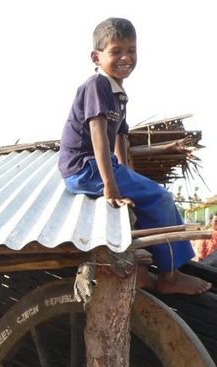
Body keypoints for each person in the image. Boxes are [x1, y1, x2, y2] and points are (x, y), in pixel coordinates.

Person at [58, 17, 211, 295]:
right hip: (85, 167)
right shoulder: (97, 85)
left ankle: (141, 270)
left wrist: (127, 173)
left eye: (132, 50)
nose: (126, 57)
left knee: (147, 197)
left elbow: (119, 138)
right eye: (116, 51)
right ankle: (170, 276)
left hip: (95, 167)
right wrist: (111, 184)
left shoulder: (119, 94)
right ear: (97, 56)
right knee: (160, 198)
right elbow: (97, 135)